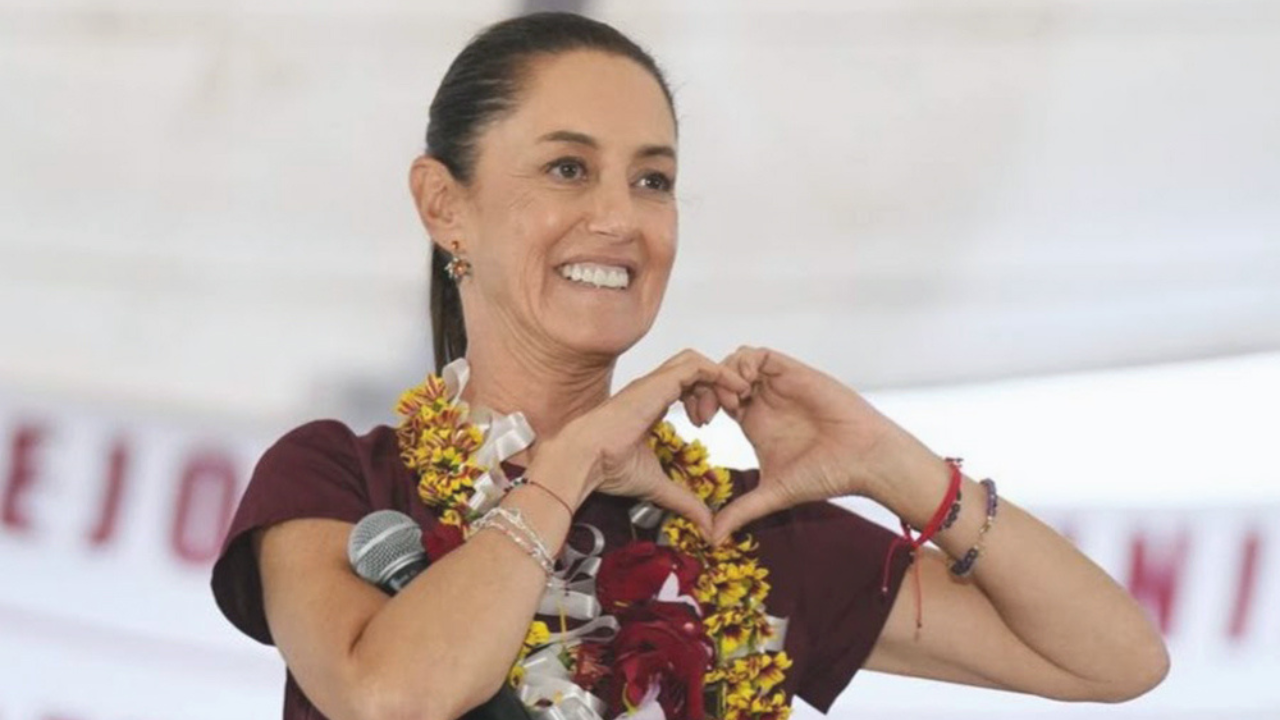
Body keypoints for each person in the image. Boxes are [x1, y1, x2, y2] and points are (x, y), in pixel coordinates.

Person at [211, 12, 1169, 720]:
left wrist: (892, 462)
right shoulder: (339, 476)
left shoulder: (737, 530)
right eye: (567, 168)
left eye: (653, 180)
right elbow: (388, 697)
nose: (621, 218)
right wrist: (569, 462)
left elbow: (1114, 660)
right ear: (442, 205)